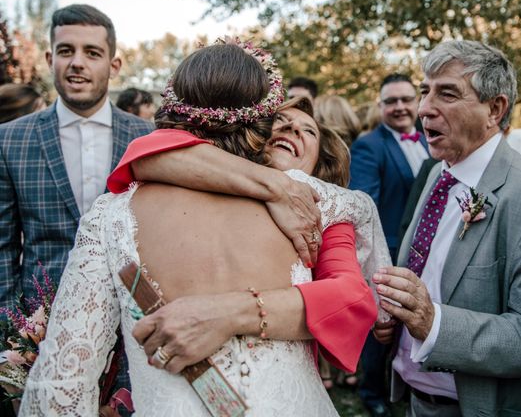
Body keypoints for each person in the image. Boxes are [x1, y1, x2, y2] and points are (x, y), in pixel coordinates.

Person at [20, 41, 382, 416]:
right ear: (262, 124)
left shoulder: (110, 217)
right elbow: (368, 246)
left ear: (172, 112)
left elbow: (64, 382)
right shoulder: (312, 200)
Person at [373, 40, 521, 416]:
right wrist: (397, 318)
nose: (424, 108)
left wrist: (434, 323)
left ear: (495, 109)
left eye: (447, 93)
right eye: (426, 91)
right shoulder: (438, 173)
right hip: (416, 401)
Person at [0, 4, 154, 309]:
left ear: (114, 65)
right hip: (40, 325)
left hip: (132, 321)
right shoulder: (9, 140)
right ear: (50, 59)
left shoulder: (147, 137)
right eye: (66, 51)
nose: (77, 63)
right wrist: (9, 336)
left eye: (93, 53)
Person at [349, 73, 429, 416]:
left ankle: (415, 384)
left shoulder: (430, 139)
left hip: (428, 249)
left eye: (406, 99)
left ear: (417, 102)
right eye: (391, 101)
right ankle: (372, 393)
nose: (400, 107)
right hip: (391, 253)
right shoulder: (369, 145)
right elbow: (365, 207)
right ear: (381, 106)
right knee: (381, 328)